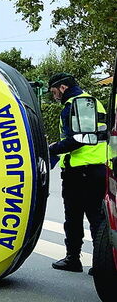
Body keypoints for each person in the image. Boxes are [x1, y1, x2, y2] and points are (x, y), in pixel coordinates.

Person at [47, 73, 107, 273]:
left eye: (54, 92)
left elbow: (77, 139)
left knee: (73, 217)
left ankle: (73, 259)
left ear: (63, 88)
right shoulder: (94, 102)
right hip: (99, 168)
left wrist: (52, 149)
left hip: (79, 171)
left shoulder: (74, 105)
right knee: (97, 217)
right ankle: (102, 263)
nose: (54, 97)